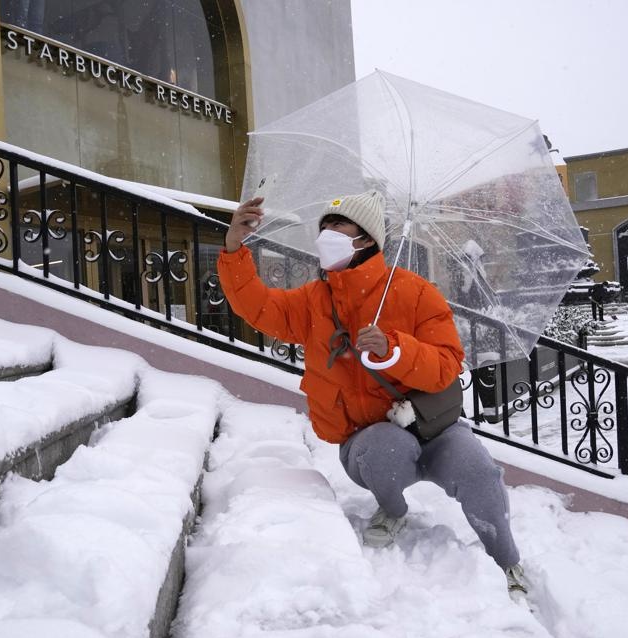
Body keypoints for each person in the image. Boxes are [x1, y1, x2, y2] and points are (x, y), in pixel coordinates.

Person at [217, 190, 526, 597]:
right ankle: (393, 509)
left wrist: (394, 349)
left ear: (365, 238)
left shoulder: (416, 293)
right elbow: (258, 307)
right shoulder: (314, 301)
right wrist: (234, 248)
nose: (326, 234)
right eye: (324, 226)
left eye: (337, 226)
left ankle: (507, 561)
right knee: (385, 448)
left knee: (479, 472)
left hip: (432, 425)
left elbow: (447, 364)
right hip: (368, 438)